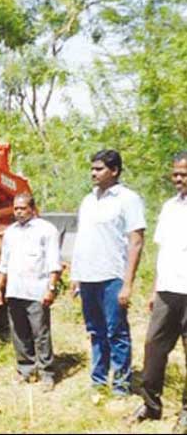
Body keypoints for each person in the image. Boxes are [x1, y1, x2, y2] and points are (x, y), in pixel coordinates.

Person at [69, 149, 146, 397]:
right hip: (88, 276)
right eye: (92, 168)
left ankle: (122, 384)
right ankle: (99, 380)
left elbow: (136, 241)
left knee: (116, 332)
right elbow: (81, 240)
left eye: (99, 169)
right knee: (95, 331)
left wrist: (127, 283)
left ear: (114, 171)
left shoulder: (128, 199)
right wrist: (75, 275)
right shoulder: (88, 200)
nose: (93, 173)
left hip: (113, 276)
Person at [131, 151, 187, 431]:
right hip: (168, 289)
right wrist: (154, 290)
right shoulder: (169, 207)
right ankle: (151, 405)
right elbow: (163, 251)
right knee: (154, 346)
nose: (178, 179)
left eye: (183, 174)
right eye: (175, 173)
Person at [0, 192, 62, 392]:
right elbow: (4, 263)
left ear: (33, 208)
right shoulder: (11, 233)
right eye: (16, 208)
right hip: (15, 290)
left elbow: (54, 263)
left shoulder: (46, 230)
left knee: (40, 332)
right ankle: (26, 369)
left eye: (22, 208)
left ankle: (47, 373)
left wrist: (51, 288)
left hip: (37, 291)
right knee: (19, 332)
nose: (18, 212)